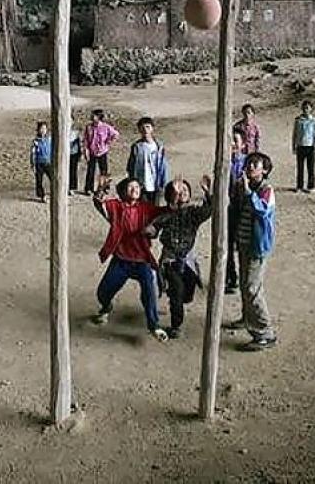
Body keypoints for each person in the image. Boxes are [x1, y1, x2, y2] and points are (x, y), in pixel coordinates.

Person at [92, 176, 168, 342]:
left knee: (149, 290)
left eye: (137, 186)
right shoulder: (116, 207)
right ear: (123, 190)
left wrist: (174, 200)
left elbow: (165, 213)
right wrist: (100, 190)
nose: (135, 189)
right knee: (103, 292)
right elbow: (100, 204)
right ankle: (106, 307)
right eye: (130, 186)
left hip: (142, 259)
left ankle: (154, 325)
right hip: (121, 259)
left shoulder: (146, 209)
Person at [146, 175, 212, 339]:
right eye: (178, 191)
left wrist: (207, 193)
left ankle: (177, 301)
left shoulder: (193, 213)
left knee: (187, 294)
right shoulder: (166, 214)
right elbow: (152, 229)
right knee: (177, 291)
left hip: (188, 261)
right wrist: (149, 230)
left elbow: (209, 210)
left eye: (185, 190)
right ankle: (176, 325)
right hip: (170, 260)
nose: (182, 192)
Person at [228, 152, 277, 351]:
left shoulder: (267, 190)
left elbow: (262, 210)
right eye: (247, 164)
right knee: (245, 283)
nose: (249, 167)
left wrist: (248, 192)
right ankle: (248, 317)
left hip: (257, 246)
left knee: (252, 287)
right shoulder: (243, 187)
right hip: (244, 243)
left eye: (254, 164)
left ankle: (265, 332)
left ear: (264, 170)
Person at [126, 116, 170, 204]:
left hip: (155, 185)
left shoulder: (159, 147)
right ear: (139, 130)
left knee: (155, 210)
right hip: (141, 185)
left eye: (147, 127)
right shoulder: (136, 147)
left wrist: (164, 183)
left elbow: (163, 166)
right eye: (142, 128)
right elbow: (130, 166)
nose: (145, 130)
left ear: (152, 129)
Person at [226, 129, 247, 294]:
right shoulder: (224, 162)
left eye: (235, 140)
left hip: (243, 211)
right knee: (226, 244)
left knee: (243, 245)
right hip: (228, 209)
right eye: (230, 140)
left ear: (243, 144)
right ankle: (230, 278)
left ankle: (244, 277)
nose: (232, 144)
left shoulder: (248, 164)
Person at [83, 110, 119, 195]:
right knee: (90, 170)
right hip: (92, 152)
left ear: (99, 117)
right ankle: (89, 188)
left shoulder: (105, 127)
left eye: (94, 115)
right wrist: (85, 150)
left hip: (102, 151)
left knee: (103, 171)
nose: (92, 117)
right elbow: (85, 139)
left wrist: (109, 142)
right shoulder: (89, 127)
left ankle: (103, 188)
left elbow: (116, 134)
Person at [292, 100, 315, 193]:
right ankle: (299, 185)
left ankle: (311, 186)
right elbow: (294, 134)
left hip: (310, 146)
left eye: (308, 108)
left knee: (310, 167)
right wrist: (294, 146)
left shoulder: (314, 120)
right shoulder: (298, 120)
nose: (306, 109)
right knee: (300, 167)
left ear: (311, 109)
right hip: (300, 145)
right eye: (304, 108)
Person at [30, 121, 52, 203]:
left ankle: (54, 192)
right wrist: (32, 164)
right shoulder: (35, 141)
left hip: (48, 162)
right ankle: (42, 195)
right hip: (39, 163)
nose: (43, 130)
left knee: (53, 178)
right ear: (38, 130)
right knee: (39, 180)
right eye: (41, 128)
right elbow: (33, 154)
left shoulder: (49, 139)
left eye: (44, 128)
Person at [69, 122, 81, 195]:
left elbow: (79, 144)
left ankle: (72, 187)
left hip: (74, 153)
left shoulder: (76, 132)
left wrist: (80, 154)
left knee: (73, 171)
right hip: (64, 154)